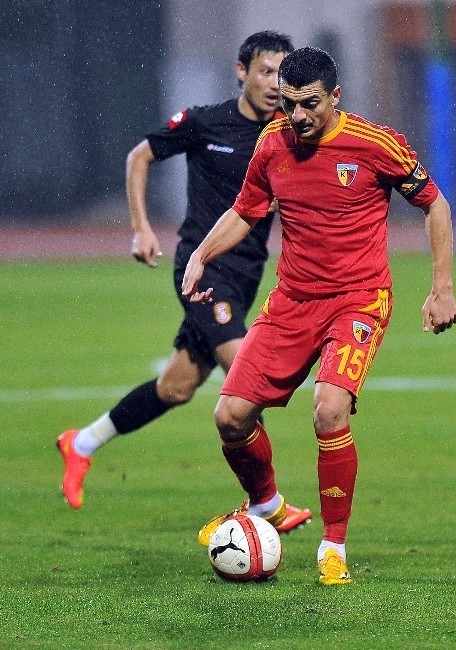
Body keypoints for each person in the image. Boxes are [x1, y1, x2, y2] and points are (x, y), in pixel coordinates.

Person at [182, 46, 456, 585]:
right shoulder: (273, 143)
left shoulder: (375, 144)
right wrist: (201, 255)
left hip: (358, 299)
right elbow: (246, 209)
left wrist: (442, 288)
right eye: (288, 104)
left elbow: (435, 203)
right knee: (230, 416)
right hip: (292, 301)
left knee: (329, 409)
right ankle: (267, 505)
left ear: (335, 96)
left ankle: (333, 545)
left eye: (309, 103)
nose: (298, 116)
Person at [56, 31, 312, 535]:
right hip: (201, 270)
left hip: (246, 277)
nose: (273, 84)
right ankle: (265, 503)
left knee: (176, 387)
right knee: (246, 374)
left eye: (281, 76)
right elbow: (139, 157)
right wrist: (141, 227)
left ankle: (80, 443)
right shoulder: (204, 122)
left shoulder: (287, 134)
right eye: (265, 72)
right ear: (242, 71)